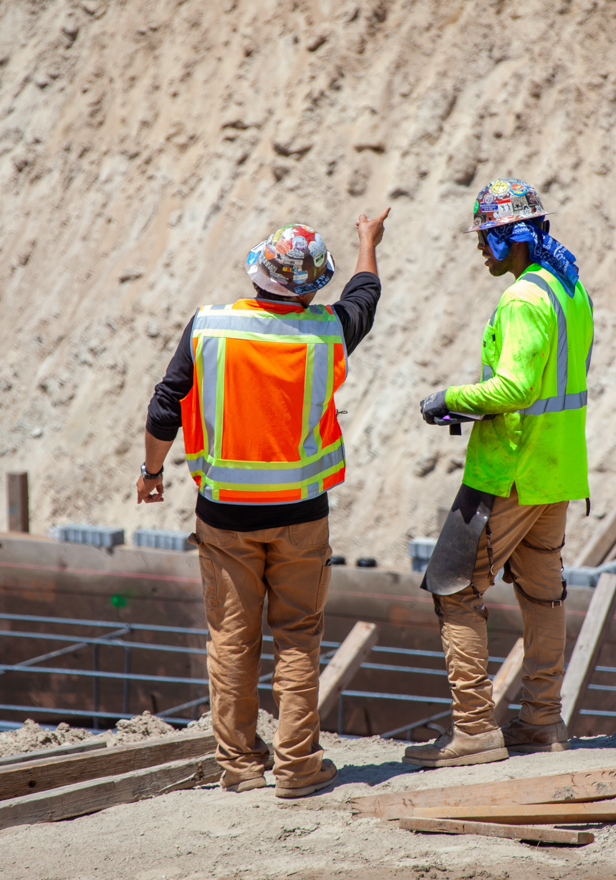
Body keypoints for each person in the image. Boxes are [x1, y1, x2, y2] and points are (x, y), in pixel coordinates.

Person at [137, 211, 389, 797]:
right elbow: (366, 295)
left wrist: (152, 473)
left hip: (225, 513)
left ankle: (242, 767)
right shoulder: (328, 331)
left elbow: (164, 406)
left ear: (259, 273)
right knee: (298, 638)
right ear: (312, 286)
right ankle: (298, 767)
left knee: (231, 638)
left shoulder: (210, 327)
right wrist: (367, 241)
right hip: (302, 513)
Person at [406, 178, 593, 768]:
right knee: (543, 595)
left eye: (487, 237)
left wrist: (450, 397)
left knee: (453, 587)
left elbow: (513, 387)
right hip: (556, 470)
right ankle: (541, 723)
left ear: (512, 237)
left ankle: (474, 731)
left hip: (509, 471)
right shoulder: (569, 291)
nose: (480, 248)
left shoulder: (521, 300)